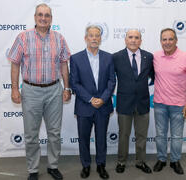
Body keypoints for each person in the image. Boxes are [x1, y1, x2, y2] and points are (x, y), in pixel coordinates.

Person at [8, 4, 71, 180]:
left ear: (51, 18)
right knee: (30, 134)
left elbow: (64, 64)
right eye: (40, 15)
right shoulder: (23, 37)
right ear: (35, 17)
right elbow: (15, 64)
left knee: (54, 133)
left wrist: (66, 88)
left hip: (54, 90)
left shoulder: (59, 38)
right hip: (30, 91)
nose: (44, 18)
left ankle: (53, 166)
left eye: (47, 15)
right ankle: (33, 169)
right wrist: (14, 88)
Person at [69, 25, 116, 179]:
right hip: (84, 106)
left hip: (103, 106)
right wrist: (90, 99)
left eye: (97, 35)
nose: (94, 38)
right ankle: (86, 165)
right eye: (91, 35)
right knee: (83, 138)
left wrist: (102, 98)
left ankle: (101, 165)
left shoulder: (109, 57)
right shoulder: (75, 58)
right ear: (85, 38)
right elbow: (74, 83)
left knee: (101, 138)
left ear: (100, 38)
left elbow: (111, 81)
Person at [152, 28, 186, 175]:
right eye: (164, 39)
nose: (167, 42)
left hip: (178, 105)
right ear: (160, 41)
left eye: (170, 39)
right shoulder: (155, 57)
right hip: (159, 104)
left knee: (177, 136)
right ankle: (161, 159)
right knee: (160, 135)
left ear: (176, 40)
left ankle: (175, 161)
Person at [113, 29, 154, 174]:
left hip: (143, 103)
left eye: (137, 37)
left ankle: (140, 161)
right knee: (124, 134)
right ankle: (121, 161)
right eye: (130, 37)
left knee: (141, 135)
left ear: (141, 40)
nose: (133, 40)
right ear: (125, 39)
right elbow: (111, 79)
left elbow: (154, 77)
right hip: (124, 103)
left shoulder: (149, 57)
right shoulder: (116, 57)